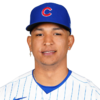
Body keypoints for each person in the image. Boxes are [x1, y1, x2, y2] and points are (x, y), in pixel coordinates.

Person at [0, 2, 100, 100]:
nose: (48, 42)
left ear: (70, 41)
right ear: (29, 42)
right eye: (39, 34)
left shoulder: (93, 94)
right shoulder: (6, 93)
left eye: (57, 33)